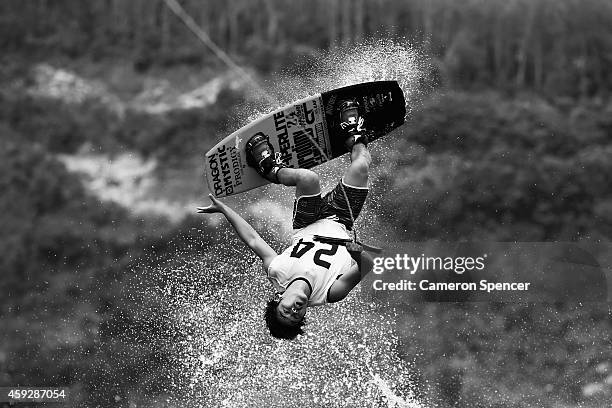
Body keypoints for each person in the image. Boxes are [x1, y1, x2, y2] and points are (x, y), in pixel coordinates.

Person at [197, 100, 375, 340]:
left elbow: (252, 239)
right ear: (303, 316)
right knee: (361, 167)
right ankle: (353, 136)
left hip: (308, 222)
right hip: (342, 220)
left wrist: (224, 210)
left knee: (308, 178)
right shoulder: (330, 293)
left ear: (278, 300)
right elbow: (368, 266)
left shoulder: (278, 272)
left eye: (285, 311)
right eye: (296, 316)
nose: (293, 310)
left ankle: (270, 168)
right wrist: (357, 255)